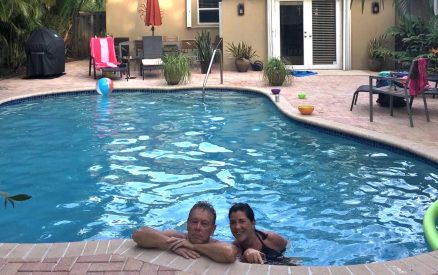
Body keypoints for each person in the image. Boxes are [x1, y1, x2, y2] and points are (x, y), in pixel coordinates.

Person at [132, 201, 238, 263]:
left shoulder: (215, 244)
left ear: (212, 229)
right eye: (194, 222)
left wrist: (193, 246)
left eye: (204, 224)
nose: (198, 227)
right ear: (187, 224)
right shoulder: (177, 237)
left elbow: (229, 253)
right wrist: (173, 245)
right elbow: (138, 234)